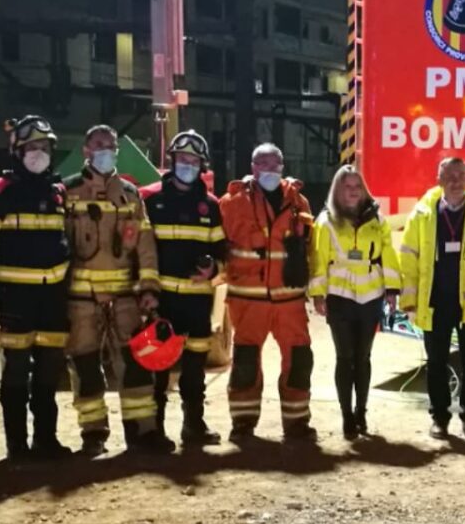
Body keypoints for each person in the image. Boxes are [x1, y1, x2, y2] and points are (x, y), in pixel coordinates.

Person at [0, 116, 73, 461]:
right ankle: (17, 446)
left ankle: (46, 440)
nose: (38, 153)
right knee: (16, 372)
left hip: (52, 299)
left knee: (49, 373)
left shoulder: (59, 192)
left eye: (44, 147)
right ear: (17, 151)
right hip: (16, 298)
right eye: (32, 147)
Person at [64, 123, 164, 454]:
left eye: (111, 145)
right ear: (86, 151)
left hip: (124, 301)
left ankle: (142, 432)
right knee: (86, 366)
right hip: (82, 301)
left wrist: (149, 288)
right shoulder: (68, 192)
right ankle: (93, 434)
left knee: (135, 366)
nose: (105, 150)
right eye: (98, 144)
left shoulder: (131, 196)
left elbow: (145, 246)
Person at [397, 157, 465, 440]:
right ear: (438, 179)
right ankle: (440, 417)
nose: (455, 181)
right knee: (435, 362)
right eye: (449, 176)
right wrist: (408, 299)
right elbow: (408, 257)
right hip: (434, 301)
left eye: (461, 175)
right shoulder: (422, 214)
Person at [221, 143, 318, 441]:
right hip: (248, 298)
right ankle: (243, 424)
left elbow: (310, 249)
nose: (270, 169)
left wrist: (313, 288)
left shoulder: (299, 203)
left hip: (289, 299)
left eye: (275, 163)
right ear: (252, 167)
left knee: (300, 359)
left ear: (283, 166)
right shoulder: (231, 203)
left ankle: (297, 422)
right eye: (263, 163)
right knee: (246, 361)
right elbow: (217, 245)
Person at [141, 130, 225, 447]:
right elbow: (142, 250)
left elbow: (222, 253)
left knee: (195, 371)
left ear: (201, 165)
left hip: (197, 304)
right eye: (181, 159)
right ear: (171, 161)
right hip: (163, 302)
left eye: (192, 160)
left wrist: (213, 269)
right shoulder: (151, 201)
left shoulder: (211, 207)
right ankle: (155, 431)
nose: (186, 165)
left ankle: (194, 426)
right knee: (158, 370)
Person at [309, 165, 401, 439]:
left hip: (370, 298)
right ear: (338, 190)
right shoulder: (325, 222)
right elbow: (318, 260)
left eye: (357, 187)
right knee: (344, 357)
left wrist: (393, 290)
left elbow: (388, 256)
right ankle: (347, 415)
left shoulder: (378, 221)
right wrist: (317, 293)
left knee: (363, 358)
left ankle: (361, 411)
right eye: (347, 187)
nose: (353, 192)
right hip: (340, 299)